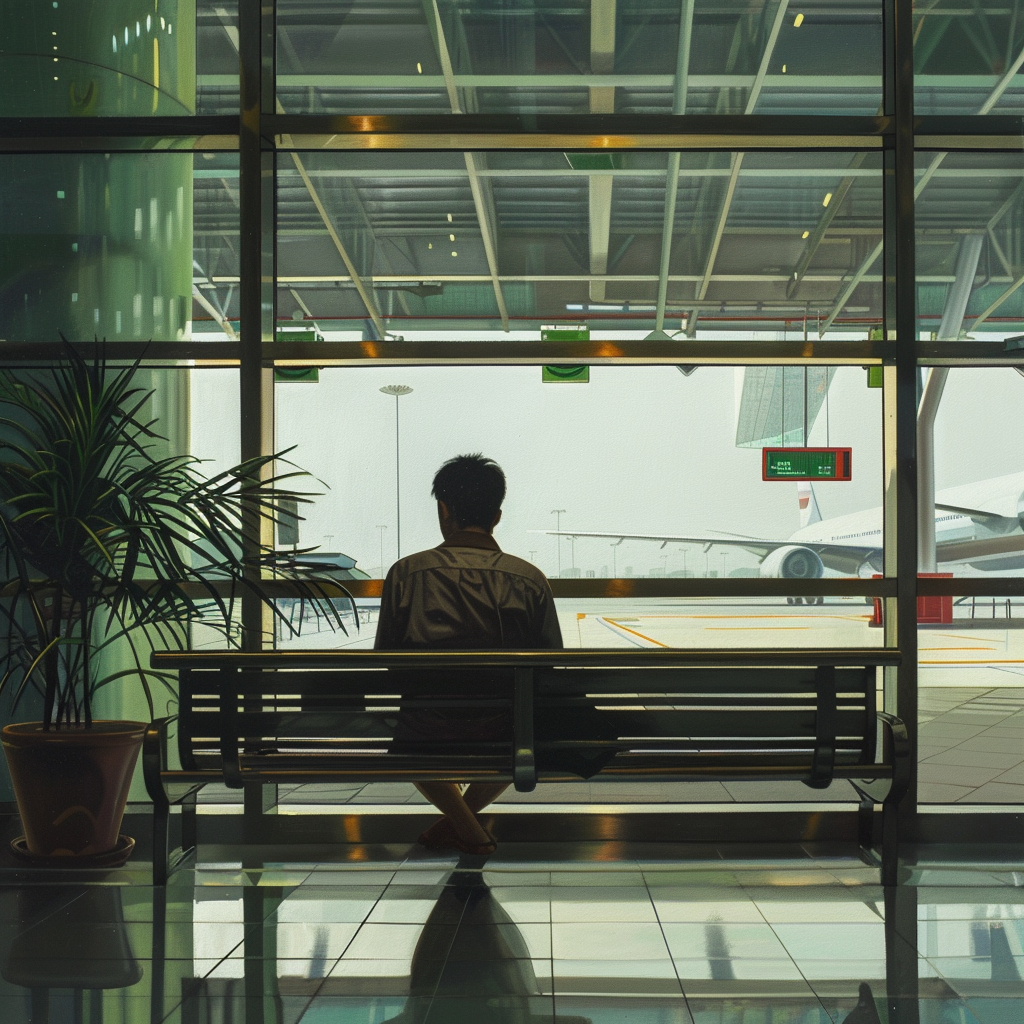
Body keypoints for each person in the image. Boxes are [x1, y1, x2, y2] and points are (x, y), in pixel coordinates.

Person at [374, 453, 562, 856]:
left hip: (427, 730)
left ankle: (462, 825)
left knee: (413, 733)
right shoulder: (529, 578)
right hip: (507, 730)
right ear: (496, 515)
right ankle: (467, 825)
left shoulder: (406, 573)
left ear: (444, 510)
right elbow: (550, 662)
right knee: (531, 729)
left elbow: (387, 660)